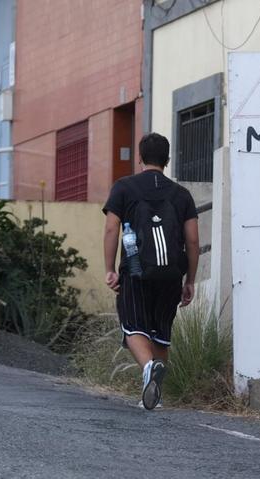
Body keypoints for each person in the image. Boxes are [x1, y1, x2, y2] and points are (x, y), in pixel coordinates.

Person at [102, 132, 199, 410]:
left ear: (140, 157)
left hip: (135, 270)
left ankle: (148, 368)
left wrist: (109, 268)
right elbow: (192, 239)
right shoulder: (182, 195)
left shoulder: (124, 187)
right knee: (160, 333)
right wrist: (189, 279)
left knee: (133, 326)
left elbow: (111, 228)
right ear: (167, 160)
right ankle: (155, 394)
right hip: (171, 273)